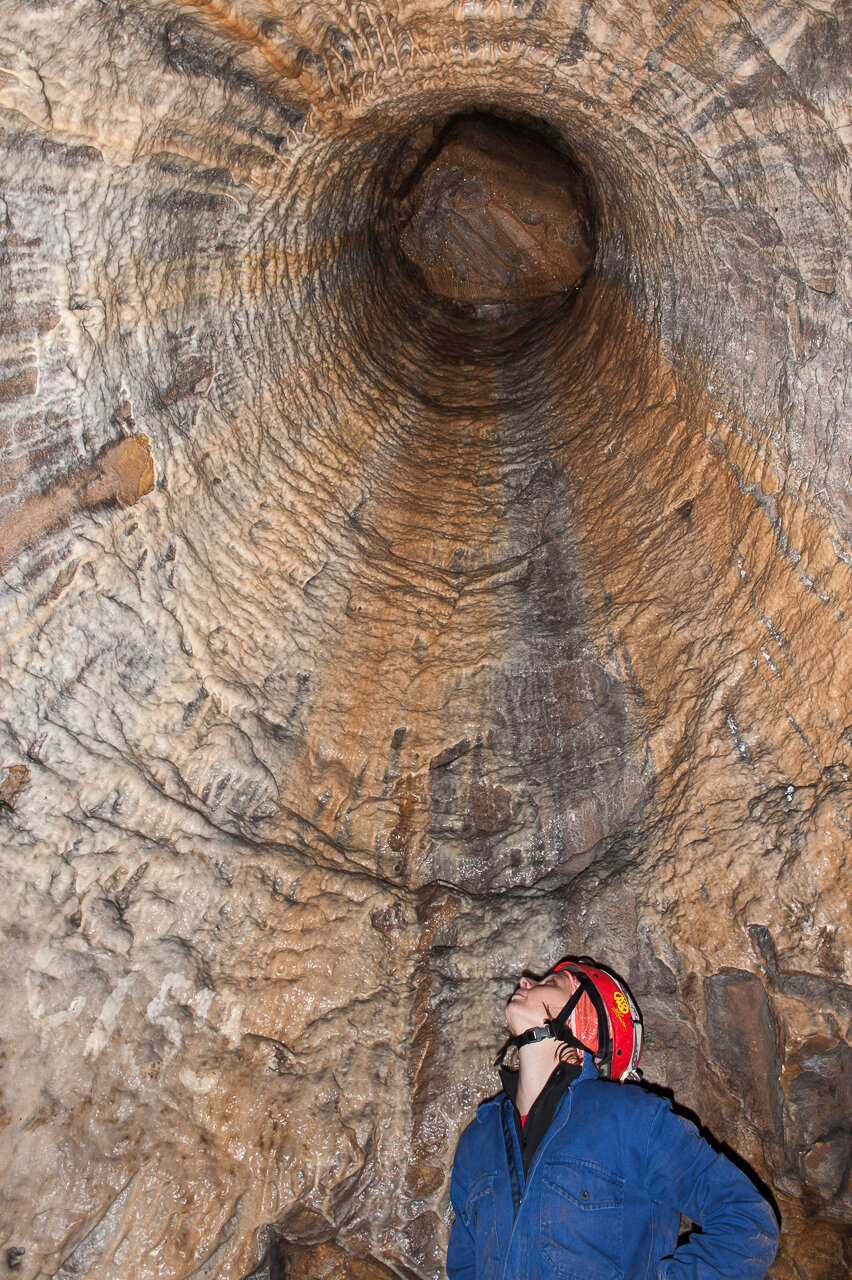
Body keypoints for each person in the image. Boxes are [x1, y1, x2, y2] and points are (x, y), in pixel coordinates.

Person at [447, 956, 779, 1279]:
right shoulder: (478, 1141)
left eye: (550, 983)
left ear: (587, 1021)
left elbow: (746, 1219)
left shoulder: (633, 1119)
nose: (524, 981)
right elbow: (464, 1268)